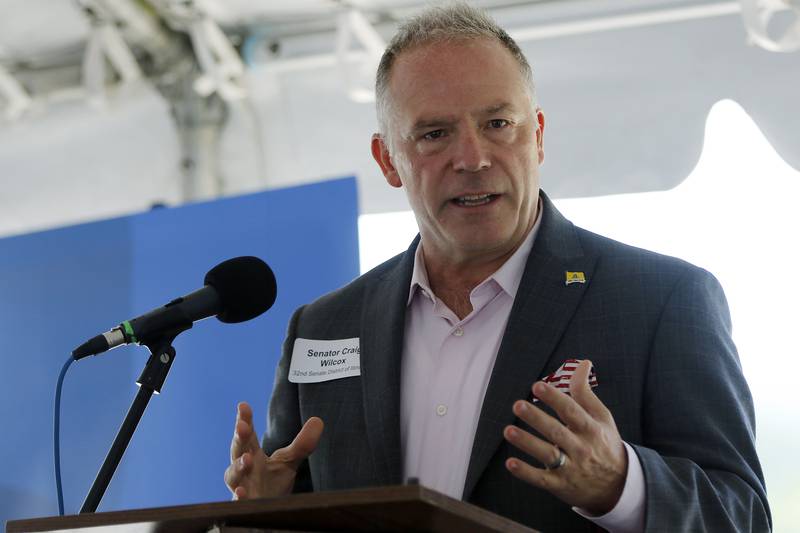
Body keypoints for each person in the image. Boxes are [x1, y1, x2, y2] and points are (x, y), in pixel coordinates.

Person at [224, 3, 771, 531]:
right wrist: (269, 512)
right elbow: (304, 505)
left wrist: (622, 485)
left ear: (536, 135)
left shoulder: (663, 300)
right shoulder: (324, 327)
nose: (473, 157)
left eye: (497, 123)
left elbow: (742, 518)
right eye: (435, 134)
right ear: (388, 159)